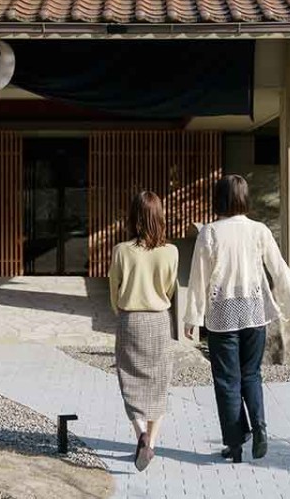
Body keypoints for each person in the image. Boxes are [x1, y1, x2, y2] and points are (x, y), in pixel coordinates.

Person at [184, 175, 290, 463]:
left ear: (219, 198)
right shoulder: (259, 231)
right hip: (255, 311)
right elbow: (280, 271)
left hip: (223, 314)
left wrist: (192, 316)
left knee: (227, 381)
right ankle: (260, 428)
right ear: (244, 197)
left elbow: (198, 278)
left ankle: (235, 445)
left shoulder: (210, 232)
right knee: (251, 375)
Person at [108, 190, 179, 472]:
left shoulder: (121, 251)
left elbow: (114, 289)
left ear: (134, 217)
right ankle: (151, 444)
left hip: (130, 320)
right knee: (159, 383)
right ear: (159, 217)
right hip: (159, 320)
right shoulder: (171, 251)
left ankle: (140, 436)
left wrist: (121, 311)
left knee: (130, 380)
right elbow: (171, 287)